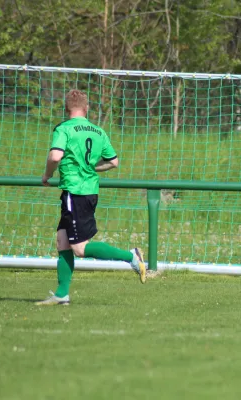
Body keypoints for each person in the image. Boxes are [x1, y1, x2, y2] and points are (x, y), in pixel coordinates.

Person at [37, 89, 146, 306]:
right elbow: (113, 162)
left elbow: (55, 155)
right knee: (63, 241)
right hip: (88, 191)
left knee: (79, 248)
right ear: (86, 109)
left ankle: (131, 256)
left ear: (66, 109)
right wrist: (91, 168)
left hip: (75, 192)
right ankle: (61, 294)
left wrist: (47, 175)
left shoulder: (64, 128)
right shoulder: (98, 131)